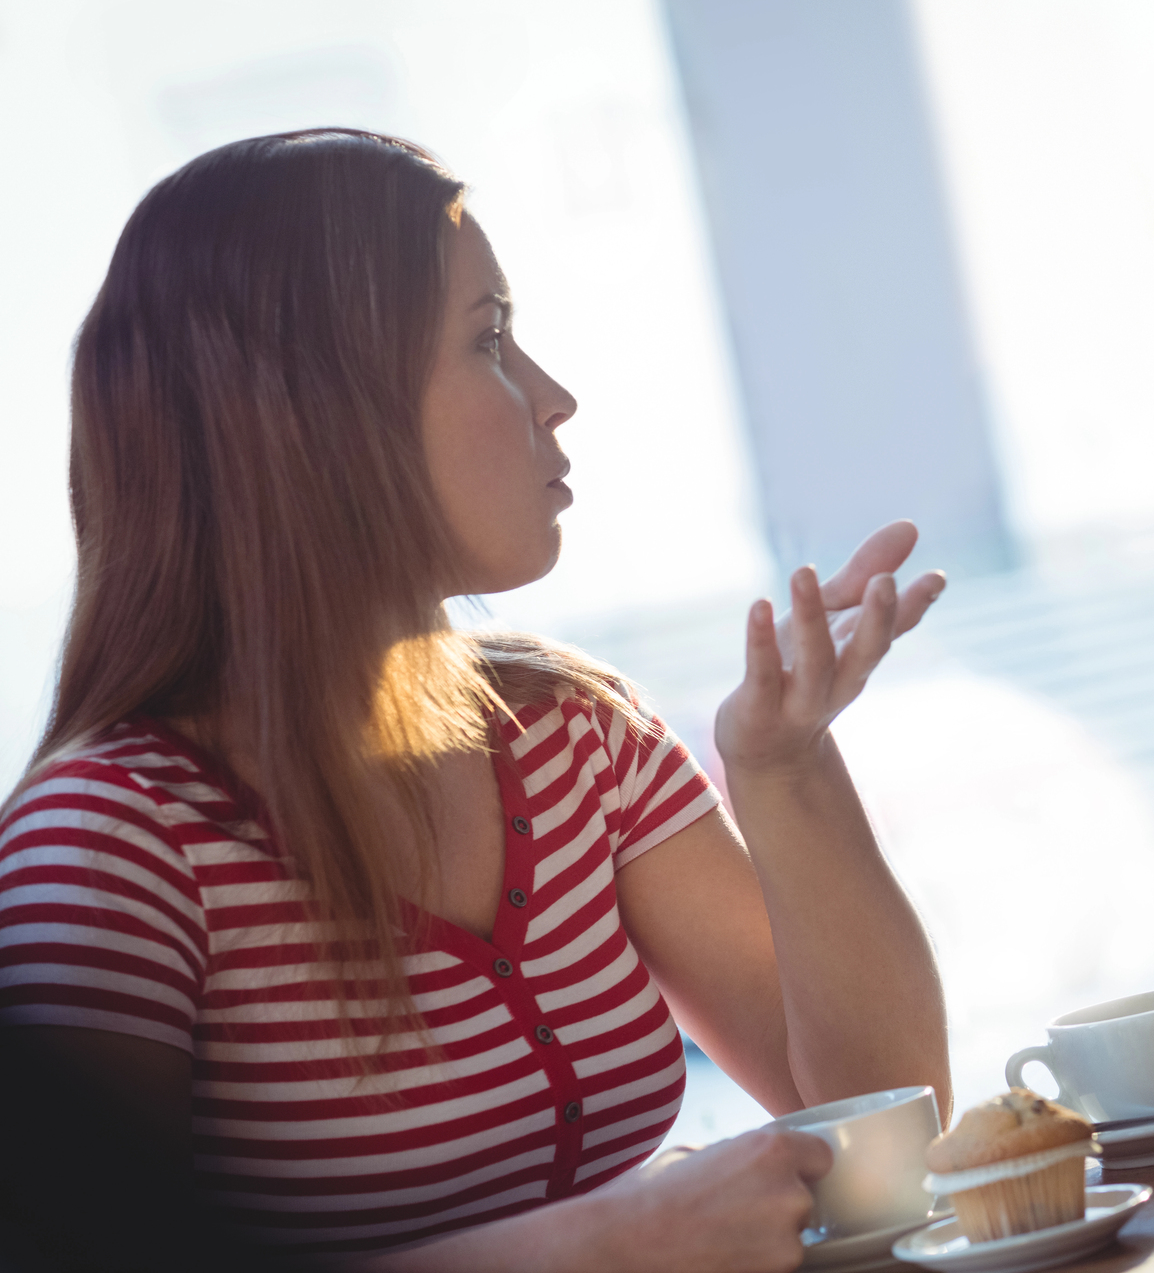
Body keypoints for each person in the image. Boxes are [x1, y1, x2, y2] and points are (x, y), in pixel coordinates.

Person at [0, 130, 950, 1271]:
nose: (555, 398)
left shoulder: (572, 736)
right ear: (312, 414)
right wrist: (607, 1242)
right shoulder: (105, 844)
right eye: (490, 339)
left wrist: (783, 768)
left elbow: (888, 1128)